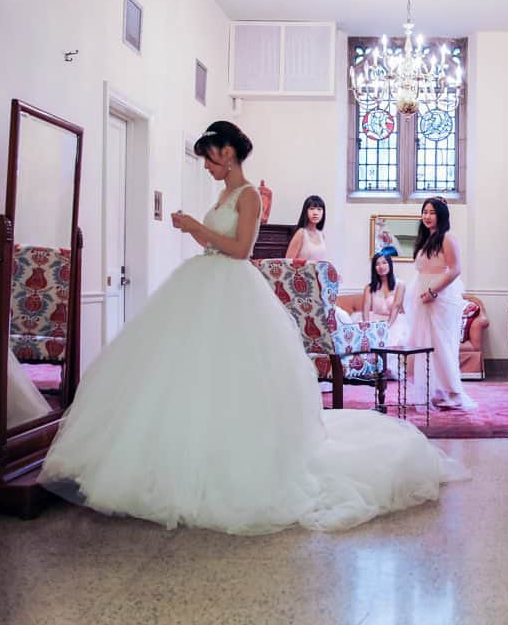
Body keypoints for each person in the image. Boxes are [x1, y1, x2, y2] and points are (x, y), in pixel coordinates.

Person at [40, 122, 463, 533]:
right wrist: (197, 232)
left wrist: (196, 227)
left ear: (226, 153)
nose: (205, 166)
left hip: (231, 286)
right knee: (187, 369)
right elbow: (213, 244)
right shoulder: (224, 192)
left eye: (208, 157)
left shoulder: (249, 197)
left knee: (231, 369)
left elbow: (241, 250)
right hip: (201, 282)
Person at [401, 197, 476, 411]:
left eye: (432, 212)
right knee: (426, 345)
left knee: (441, 345)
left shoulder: (447, 238)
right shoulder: (427, 239)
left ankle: (454, 392)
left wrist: (434, 291)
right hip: (424, 295)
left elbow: (455, 269)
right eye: (425, 212)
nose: (427, 216)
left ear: (441, 215)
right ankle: (436, 390)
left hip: (440, 297)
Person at [363, 247, 409, 375]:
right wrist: (367, 327)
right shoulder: (369, 287)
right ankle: (371, 368)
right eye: (377, 264)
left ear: (390, 264)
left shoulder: (400, 284)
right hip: (375, 321)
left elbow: (396, 305)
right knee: (370, 338)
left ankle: (386, 369)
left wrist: (388, 325)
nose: (381, 266)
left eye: (384, 262)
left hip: (394, 320)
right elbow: (366, 309)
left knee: (392, 338)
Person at [284, 194, 327, 260]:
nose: (315, 212)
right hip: (302, 270)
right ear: (305, 211)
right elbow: (288, 261)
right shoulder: (301, 233)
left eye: (319, 209)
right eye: (311, 209)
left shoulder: (321, 235)